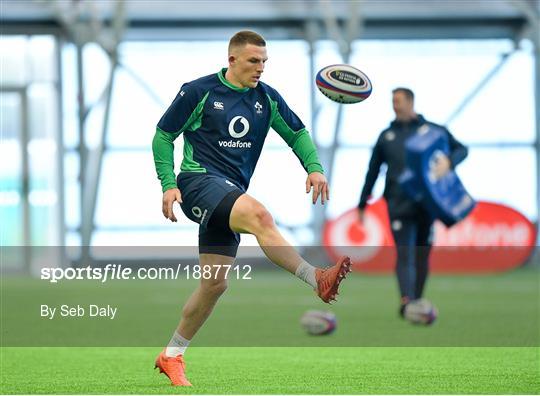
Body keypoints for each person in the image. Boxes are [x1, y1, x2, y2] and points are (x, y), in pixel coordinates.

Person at [152, 31, 351, 386]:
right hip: (198, 184)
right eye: (252, 61)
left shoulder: (267, 99)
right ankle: (315, 277)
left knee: (214, 285)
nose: (260, 68)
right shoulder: (198, 91)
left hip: (228, 194)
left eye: (264, 62)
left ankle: (172, 354)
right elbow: (163, 135)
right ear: (231, 60)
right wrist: (168, 185)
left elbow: (297, 133)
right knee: (260, 216)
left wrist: (315, 167)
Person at [357, 87, 468, 320]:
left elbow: (462, 149)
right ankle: (406, 301)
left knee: (422, 254)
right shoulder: (386, 136)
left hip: (428, 202)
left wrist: (449, 161)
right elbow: (373, 171)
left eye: (398, 101)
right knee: (404, 253)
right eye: (392, 101)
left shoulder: (434, 131)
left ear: (410, 102)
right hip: (398, 202)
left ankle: (416, 299)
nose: (394, 105)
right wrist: (362, 203)